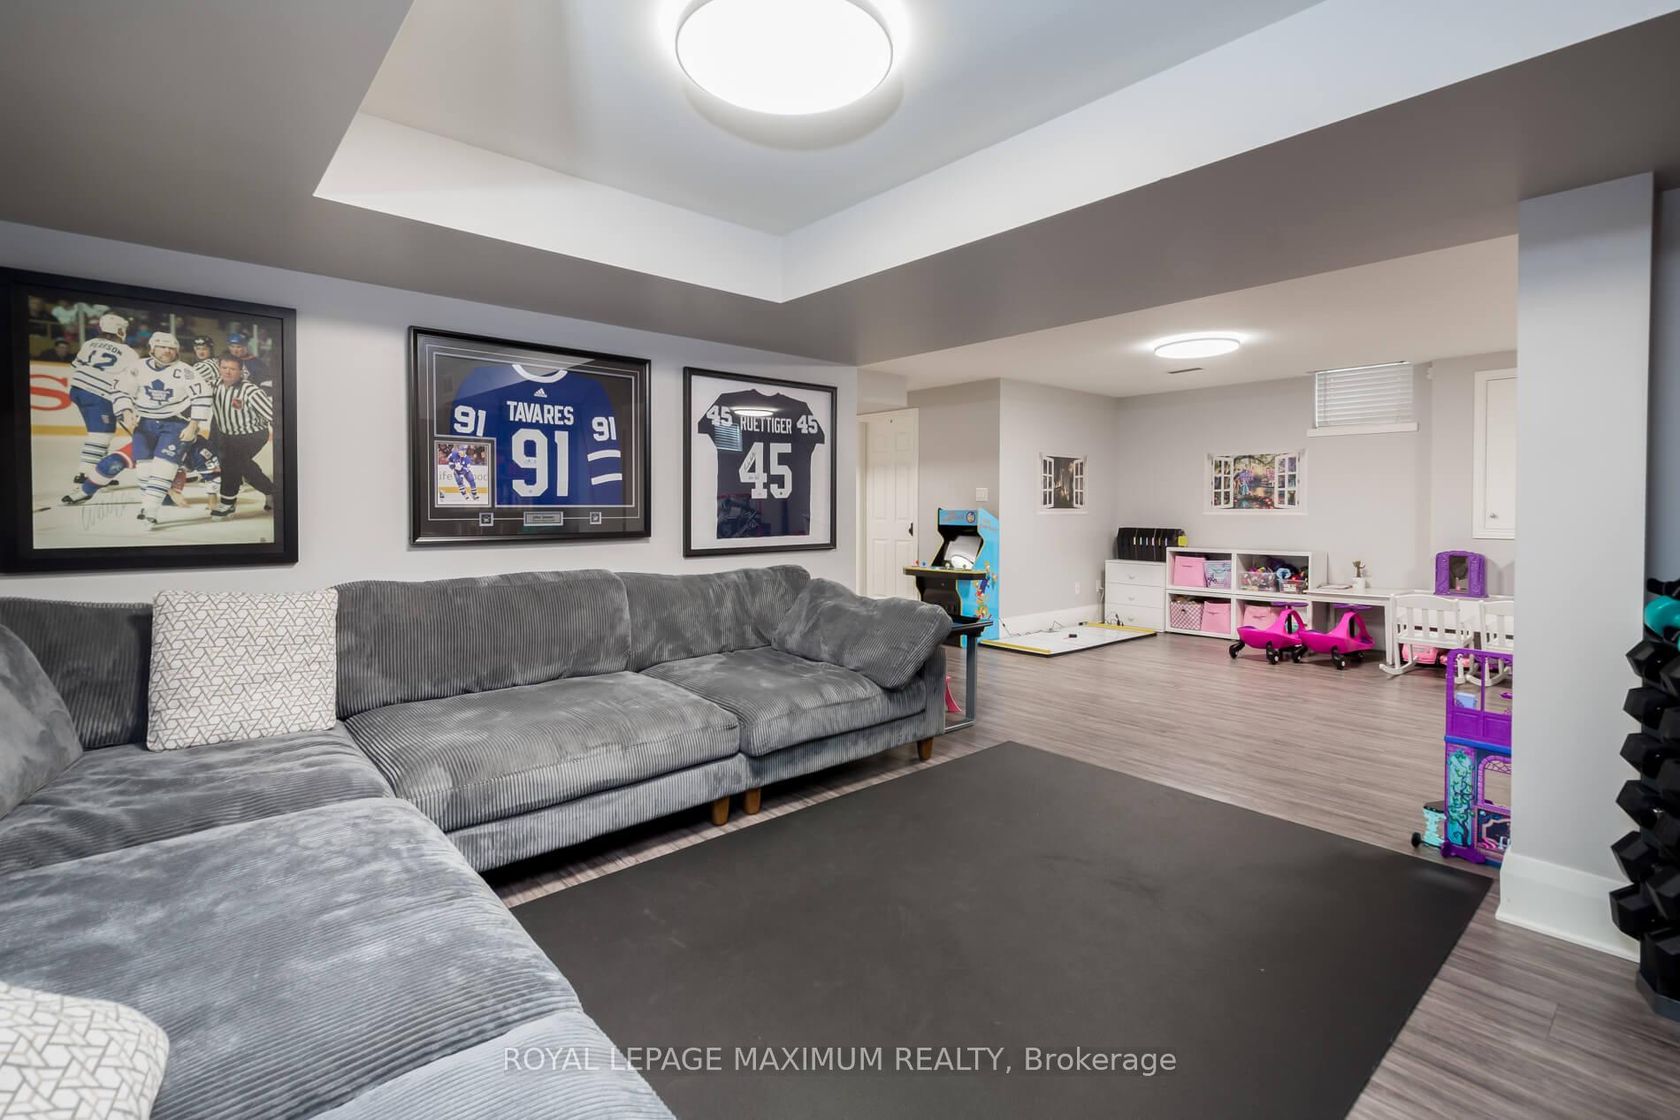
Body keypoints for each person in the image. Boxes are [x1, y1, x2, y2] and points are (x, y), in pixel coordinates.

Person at [115, 331, 209, 527]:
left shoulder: (185, 371)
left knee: (165, 466)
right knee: (144, 470)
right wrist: (126, 410)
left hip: (176, 423)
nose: (167, 351)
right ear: (152, 348)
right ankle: (147, 506)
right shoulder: (137, 367)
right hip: (145, 423)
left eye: (171, 348)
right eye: (162, 347)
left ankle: (150, 510)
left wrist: (193, 425)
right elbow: (121, 390)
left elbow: (202, 396)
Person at [64, 312, 140, 488]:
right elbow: (132, 379)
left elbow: (76, 365)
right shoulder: (128, 352)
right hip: (99, 393)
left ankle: (100, 473)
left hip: (77, 390)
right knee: (101, 434)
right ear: (120, 331)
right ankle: (85, 474)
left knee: (98, 432)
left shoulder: (89, 343)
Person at [209, 352, 275, 519]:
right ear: (219, 368)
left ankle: (227, 503)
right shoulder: (213, 385)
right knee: (244, 466)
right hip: (228, 436)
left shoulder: (251, 391)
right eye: (224, 367)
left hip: (252, 434)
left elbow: (272, 415)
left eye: (232, 369)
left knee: (231, 463)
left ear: (240, 371)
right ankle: (271, 491)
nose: (227, 372)